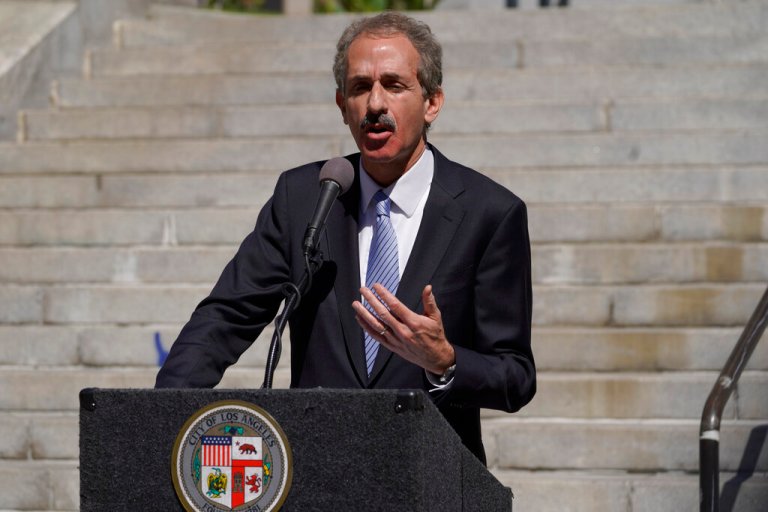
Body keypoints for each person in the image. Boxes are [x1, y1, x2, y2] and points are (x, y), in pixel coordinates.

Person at [155, 11, 535, 465]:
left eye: (394, 85)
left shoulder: (489, 212)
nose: (375, 103)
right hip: (317, 472)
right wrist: (159, 416)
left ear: (432, 102)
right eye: (359, 87)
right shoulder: (305, 198)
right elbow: (225, 316)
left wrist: (444, 360)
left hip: (429, 477)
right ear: (341, 105)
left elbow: (515, 376)